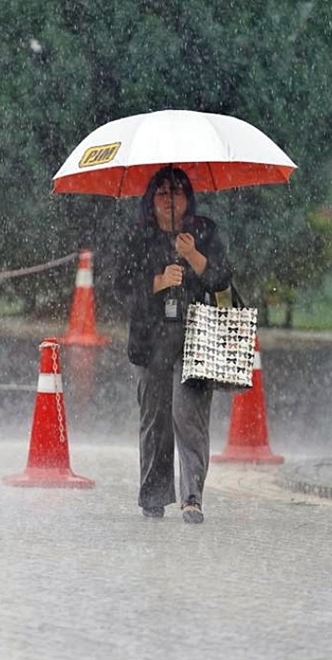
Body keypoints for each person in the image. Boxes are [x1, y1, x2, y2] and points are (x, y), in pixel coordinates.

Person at [114, 166, 233, 524]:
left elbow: (222, 279)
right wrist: (159, 281)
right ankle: (153, 495)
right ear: (151, 199)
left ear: (188, 198)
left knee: (190, 417)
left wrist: (195, 256)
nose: (170, 200)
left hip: (195, 337)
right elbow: (120, 289)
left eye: (177, 192)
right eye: (162, 193)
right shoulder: (137, 236)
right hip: (150, 341)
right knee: (155, 420)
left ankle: (192, 498)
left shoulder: (204, 231)